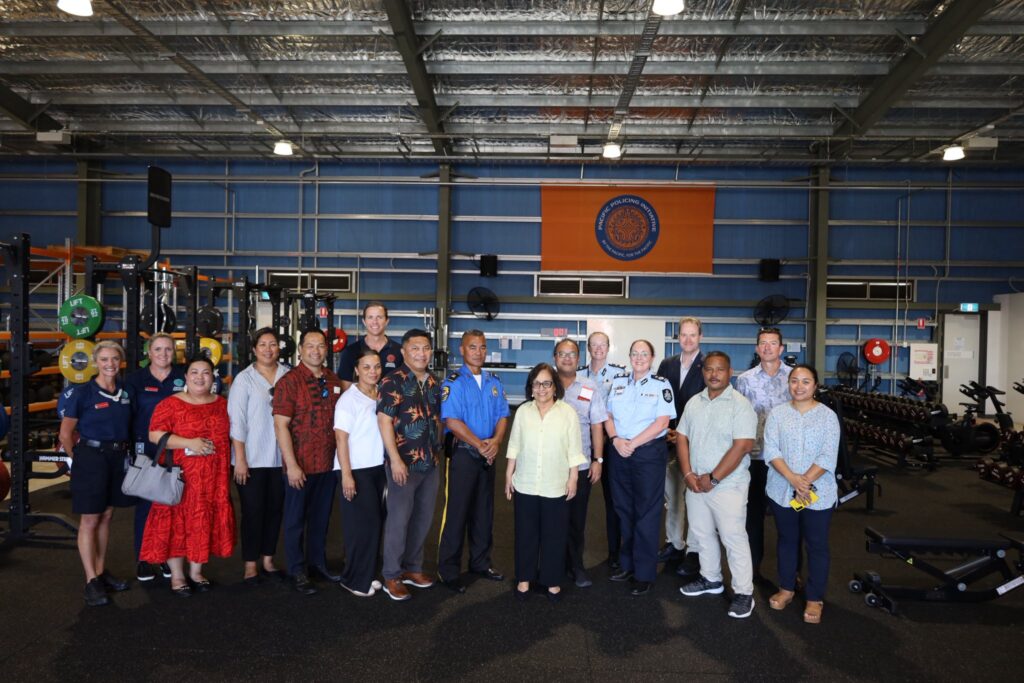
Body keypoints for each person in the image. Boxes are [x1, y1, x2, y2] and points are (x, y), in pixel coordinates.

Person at [140, 355, 236, 597]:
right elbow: (154, 435)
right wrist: (188, 442)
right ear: (186, 376)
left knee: (203, 521)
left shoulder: (222, 404)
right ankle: (177, 575)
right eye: (194, 372)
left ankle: (196, 572)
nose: (200, 377)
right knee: (177, 523)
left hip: (213, 478)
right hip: (181, 478)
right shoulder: (170, 404)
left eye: (205, 372)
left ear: (213, 377)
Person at [677, 351, 758, 619]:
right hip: (696, 484)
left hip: (727, 486)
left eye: (720, 369)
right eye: (709, 369)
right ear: (703, 372)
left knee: (733, 537)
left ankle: (744, 593)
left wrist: (713, 478)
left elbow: (742, 446)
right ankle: (711, 578)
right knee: (701, 534)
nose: (714, 374)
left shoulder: (740, 405)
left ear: (729, 372)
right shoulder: (694, 403)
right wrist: (688, 474)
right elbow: (681, 438)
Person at [58, 341, 135, 607]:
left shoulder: (126, 391)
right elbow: (65, 434)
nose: (109, 364)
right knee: (90, 519)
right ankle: (91, 580)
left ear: (120, 361)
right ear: (96, 362)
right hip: (90, 458)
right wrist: (77, 460)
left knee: (107, 515)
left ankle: (101, 572)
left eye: (114, 359)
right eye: (104, 359)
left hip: (117, 457)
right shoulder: (83, 393)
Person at [763, 364, 840, 624]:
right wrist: (793, 479)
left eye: (806, 381)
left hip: (818, 492)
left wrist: (804, 482)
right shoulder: (777, 414)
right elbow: (771, 450)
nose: (799, 386)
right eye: (794, 381)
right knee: (787, 540)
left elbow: (828, 454)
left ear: (815, 385)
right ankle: (786, 588)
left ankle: (815, 598)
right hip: (782, 490)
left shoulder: (828, 416)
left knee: (816, 544)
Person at [272, 328, 344, 595]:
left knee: (321, 519)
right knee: (295, 520)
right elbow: (280, 426)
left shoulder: (332, 379)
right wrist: (291, 465)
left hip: (327, 464)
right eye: (310, 346)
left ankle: (317, 563)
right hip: (299, 466)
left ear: (327, 349)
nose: (316, 350)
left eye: (321, 345)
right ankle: (297, 570)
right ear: (301, 350)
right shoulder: (289, 382)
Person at [437, 329, 510, 593]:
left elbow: (503, 415)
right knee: (457, 513)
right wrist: (480, 445)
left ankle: (480, 563)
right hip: (463, 455)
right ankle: (448, 571)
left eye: (482, 347)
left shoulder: (493, 381)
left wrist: (496, 442)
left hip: (488, 455)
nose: (478, 352)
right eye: (472, 347)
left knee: (484, 511)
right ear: (462, 350)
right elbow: (452, 421)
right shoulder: (454, 383)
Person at [506, 363, 585, 602]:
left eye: (547, 383)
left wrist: (573, 478)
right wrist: (508, 475)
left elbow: (574, 450)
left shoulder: (567, 413)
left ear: (554, 386)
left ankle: (552, 580)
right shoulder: (523, 412)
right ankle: (524, 578)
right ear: (531, 387)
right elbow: (514, 445)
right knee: (525, 534)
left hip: (555, 484)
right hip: (526, 482)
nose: (542, 388)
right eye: (537, 384)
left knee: (554, 535)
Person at [603, 339, 675, 597]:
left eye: (644, 353)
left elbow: (662, 422)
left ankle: (644, 573)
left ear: (652, 357)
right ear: (629, 356)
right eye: (635, 353)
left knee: (646, 512)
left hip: (647, 454)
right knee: (623, 509)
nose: (639, 357)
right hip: (619, 451)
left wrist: (632, 443)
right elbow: (608, 415)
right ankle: (627, 564)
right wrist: (615, 439)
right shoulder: (618, 382)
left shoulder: (661, 384)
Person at [377, 329, 444, 601]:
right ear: (403, 352)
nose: (421, 353)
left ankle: (412, 568)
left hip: (430, 462)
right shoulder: (392, 381)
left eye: (426, 348)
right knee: (399, 520)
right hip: (403, 462)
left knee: (423, 518)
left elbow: (438, 419)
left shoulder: (434, 382)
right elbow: (384, 421)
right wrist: (394, 460)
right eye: (415, 348)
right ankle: (391, 574)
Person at [228, 328, 289, 585]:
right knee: (253, 512)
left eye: (272, 344)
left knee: (275, 511)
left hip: (281, 459)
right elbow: (237, 422)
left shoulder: (288, 375)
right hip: (251, 458)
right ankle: (250, 564)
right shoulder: (244, 379)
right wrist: (240, 459)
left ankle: (268, 560)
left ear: (279, 348)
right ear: (254, 349)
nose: (268, 349)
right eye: (262, 344)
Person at [735, 327, 791, 583]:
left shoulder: (794, 378)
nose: (768, 347)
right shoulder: (744, 380)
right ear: (757, 348)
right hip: (755, 458)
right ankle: (753, 569)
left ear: (781, 348)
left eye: (773, 343)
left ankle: (791, 572)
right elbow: (739, 418)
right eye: (763, 343)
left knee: (787, 520)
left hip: (786, 461)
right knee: (753, 518)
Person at [125, 332, 180, 583]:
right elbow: (127, 414)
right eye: (158, 349)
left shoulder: (183, 376)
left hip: (176, 447)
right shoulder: (135, 380)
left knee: (172, 504)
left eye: (168, 349)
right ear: (149, 353)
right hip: (145, 448)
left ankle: (168, 556)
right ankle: (145, 559)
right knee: (146, 506)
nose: (163, 354)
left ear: (174, 352)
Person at [334, 348, 387, 597]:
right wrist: (347, 475)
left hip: (377, 468)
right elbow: (341, 439)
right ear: (356, 370)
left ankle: (367, 574)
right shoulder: (348, 399)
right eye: (366, 367)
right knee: (361, 527)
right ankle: (353, 579)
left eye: (376, 366)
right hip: (355, 470)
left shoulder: (381, 394)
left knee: (375, 526)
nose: (372, 372)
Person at [554, 338, 607, 588]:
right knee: (551, 518)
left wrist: (598, 459)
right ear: (555, 357)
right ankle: (552, 566)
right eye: (562, 354)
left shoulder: (590, 387)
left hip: (582, 464)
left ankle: (576, 566)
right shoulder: (546, 384)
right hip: (551, 466)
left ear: (579, 358)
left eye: (572, 354)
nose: (567, 358)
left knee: (576, 521)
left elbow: (597, 425)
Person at [656, 316, 705, 574]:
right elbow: (657, 399)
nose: (687, 339)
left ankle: (694, 550)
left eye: (692, 335)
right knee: (673, 496)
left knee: (696, 498)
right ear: (678, 337)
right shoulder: (667, 364)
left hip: (697, 442)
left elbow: (710, 407)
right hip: (668, 438)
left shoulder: (708, 365)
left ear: (700, 337)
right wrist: (665, 429)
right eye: (683, 335)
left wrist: (685, 434)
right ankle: (674, 543)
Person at [577, 331, 625, 570]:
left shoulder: (619, 375)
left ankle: (615, 554)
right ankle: (572, 555)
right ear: (588, 347)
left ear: (608, 347)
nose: (598, 349)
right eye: (594, 345)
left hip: (610, 443)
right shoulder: (578, 376)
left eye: (602, 345)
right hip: (583, 444)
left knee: (614, 501)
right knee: (575, 499)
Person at [335, 301, 404, 392]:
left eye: (379, 317)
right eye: (370, 317)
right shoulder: (350, 352)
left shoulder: (400, 351)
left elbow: (405, 385)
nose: (375, 322)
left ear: (387, 321)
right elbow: (345, 389)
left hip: (392, 400)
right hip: (360, 401)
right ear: (364, 321)